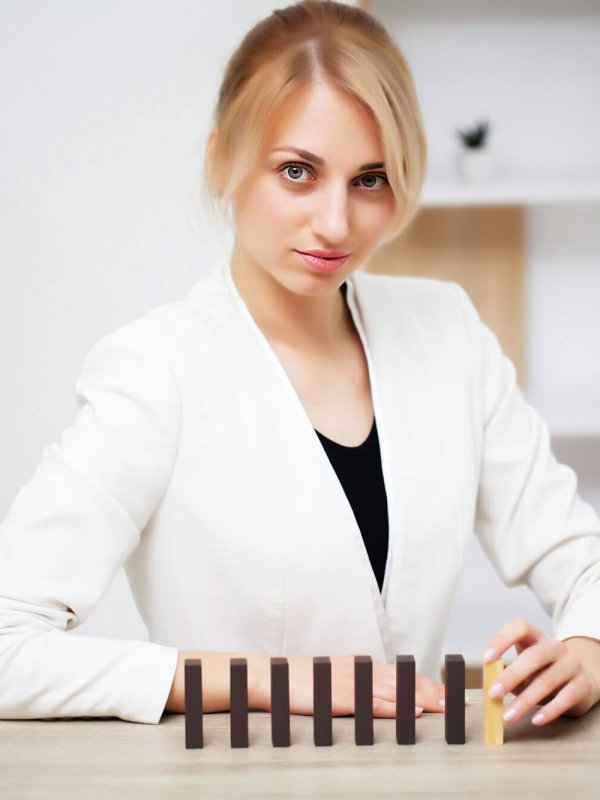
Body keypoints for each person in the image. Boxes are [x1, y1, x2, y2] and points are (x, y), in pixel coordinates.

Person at [1, 0, 599, 729]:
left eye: (370, 179)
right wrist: (268, 682)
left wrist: (587, 647)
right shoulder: (155, 371)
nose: (337, 223)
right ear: (222, 156)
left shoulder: (448, 332)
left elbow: (579, 555)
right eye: (297, 172)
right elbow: (8, 649)